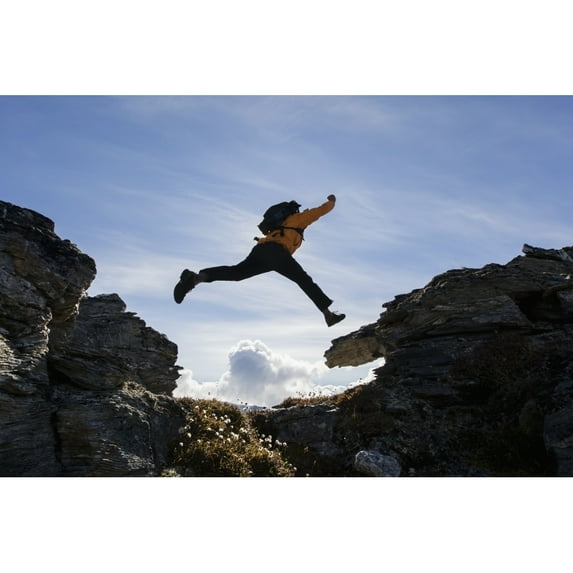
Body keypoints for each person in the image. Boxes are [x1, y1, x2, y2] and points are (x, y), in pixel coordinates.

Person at [173, 195, 346, 327]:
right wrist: (331, 201)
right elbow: (320, 211)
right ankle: (328, 315)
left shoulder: (282, 224)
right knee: (304, 280)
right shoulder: (297, 219)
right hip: (276, 253)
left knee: (236, 273)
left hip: (262, 251)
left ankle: (195, 279)